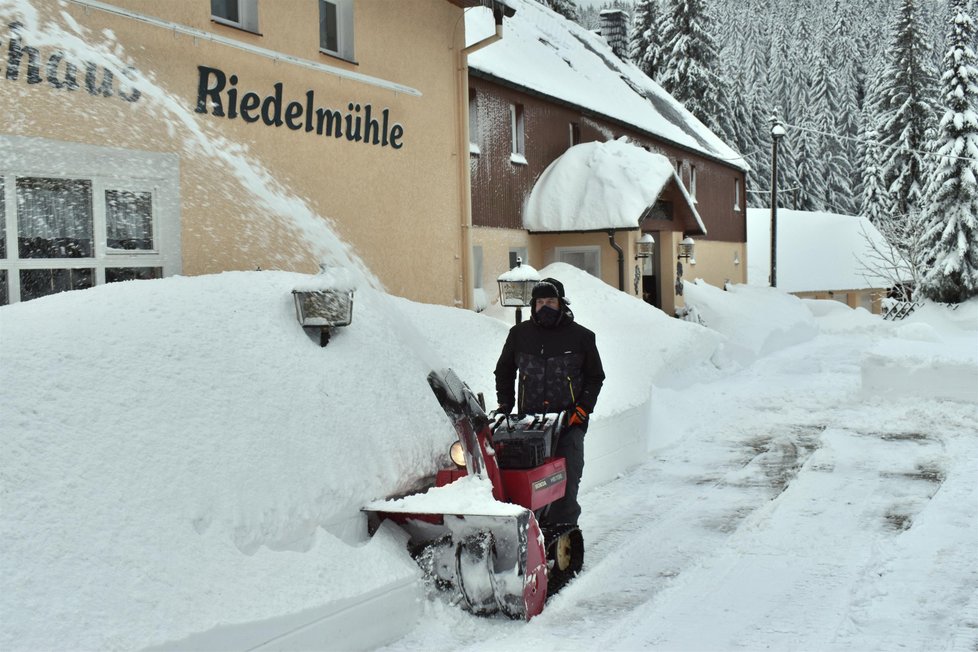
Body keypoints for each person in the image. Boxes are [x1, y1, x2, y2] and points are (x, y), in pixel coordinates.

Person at [493, 277, 605, 528]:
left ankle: (565, 537)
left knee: (566, 482)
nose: (544, 306)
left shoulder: (582, 337)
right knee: (529, 483)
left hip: (568, 424)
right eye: (539, 301)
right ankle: (532, 533)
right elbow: (505, 371)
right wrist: (505, 404)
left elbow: (595, 377)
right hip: (528, 425)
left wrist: (583, 409)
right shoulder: (519, 335)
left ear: (561, 303)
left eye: (550, 301)